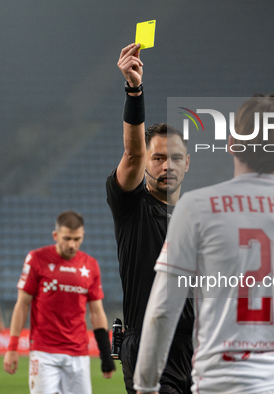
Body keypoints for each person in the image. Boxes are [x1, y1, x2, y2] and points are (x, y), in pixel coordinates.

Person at [134, 96, 274, 394]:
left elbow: (163, 310)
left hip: (226, 383)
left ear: (231, 142)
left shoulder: (195, 208)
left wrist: (146, 386)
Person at [106, 43, 194, 394]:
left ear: (187, 163)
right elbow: (132, 150)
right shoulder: (132, 206)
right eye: (157, 158)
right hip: (150, 348)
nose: (167, 165)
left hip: (198, 349)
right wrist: (134, 91)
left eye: (175, 158)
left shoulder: (195, 218)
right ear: (145, 163)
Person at [2, 211, 115, 394]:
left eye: (77, 239)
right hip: (44, 352)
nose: (72, 244)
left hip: (78, 353)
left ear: (83, 236)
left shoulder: (91, 265)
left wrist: (105, 353)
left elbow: (96, 311)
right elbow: (22, 304)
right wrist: (12, 347)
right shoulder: (36, 259)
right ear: (55, 236)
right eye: (67, 238)